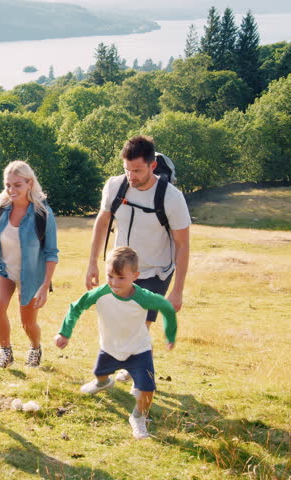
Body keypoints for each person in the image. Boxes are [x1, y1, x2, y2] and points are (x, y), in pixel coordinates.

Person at [85, 135, 190, 385]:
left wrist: (177, 290)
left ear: (152, 166)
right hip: (121, 269)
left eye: (137, 170)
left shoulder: (171, 197)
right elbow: (102, 222)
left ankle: (141, 381)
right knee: (118, 322)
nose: (131, 176)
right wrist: (92, 262)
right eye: (127, 169)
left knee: (140, 327)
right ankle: (123, 369)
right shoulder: (115, 186)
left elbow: (183, 244)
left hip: (156, 270)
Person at [55, 246, 177, 439]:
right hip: (110, 348)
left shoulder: (143, 297)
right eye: (110, 276)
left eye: (121, 278)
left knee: (147, 389)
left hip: (139, 350)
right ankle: (103, 383)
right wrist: (65, 333)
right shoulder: (100, 293)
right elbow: (76, 307)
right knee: (100, 374)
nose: (114, 282)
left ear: (135, 276)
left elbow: (167, 308)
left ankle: (137, 417)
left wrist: (170, 334)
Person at [0, 161, 58, 368]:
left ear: (29, 183)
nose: (11, 190)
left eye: (17, 185)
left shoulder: (43, 214)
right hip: (2, 269)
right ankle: (5, 351)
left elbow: (51, 253)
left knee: (28, 323)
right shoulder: (0, 209)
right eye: (8, 185)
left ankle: (35, 348)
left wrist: (44, 285)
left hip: (32, 275)